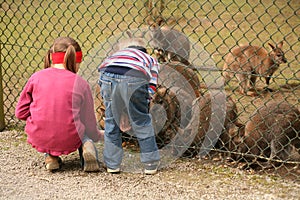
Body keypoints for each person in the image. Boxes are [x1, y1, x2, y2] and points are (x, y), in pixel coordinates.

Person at [15, 37, 103, 172]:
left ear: (51, 56)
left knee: (48, 127)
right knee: (82, 127)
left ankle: (51, 157)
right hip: (70, 136)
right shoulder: (80, 83)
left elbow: (20, 113)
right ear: (76, 61)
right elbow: (89, 121)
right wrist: (96, 135)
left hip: (40, 136)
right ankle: (87, 145)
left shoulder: (36, 77)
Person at [98, 40, 161, 175]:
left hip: (107, 76)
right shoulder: (150, 59)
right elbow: (152, 85)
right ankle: (150, 164)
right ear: (144, 51)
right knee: (142, 121)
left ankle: (112, 164)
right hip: (134, 78)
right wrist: (143, 101)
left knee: (111, 121)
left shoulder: (115, 55)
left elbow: (101, 72)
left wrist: (107, 96)